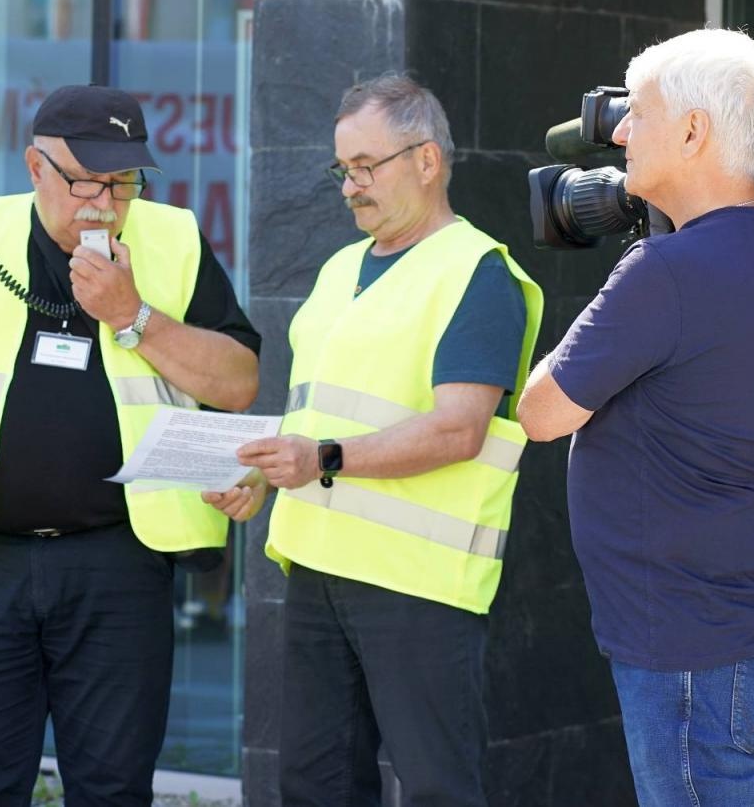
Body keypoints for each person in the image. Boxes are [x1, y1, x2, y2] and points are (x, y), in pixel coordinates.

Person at [0, 84, 261, 806]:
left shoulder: (169, 236)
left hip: (118, 562)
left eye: (122, 183)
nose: (103, 203)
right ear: (34, 166)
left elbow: (238, 382)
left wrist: (134, 316)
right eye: (84, 180)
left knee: (112, 788)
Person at [515, 28, 754, 806]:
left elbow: (541, 412)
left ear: (694, 131)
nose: (621, 133)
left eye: (640, 115)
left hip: (689, 636)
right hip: (738, 620)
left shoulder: (667, 271)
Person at [227, 73, 541, 807]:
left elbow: (460, 429)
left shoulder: (478, 273)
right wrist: (265, 471)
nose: (349, 186)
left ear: (426, 161)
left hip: (419, 587)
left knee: (436, 789)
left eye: (366, 167)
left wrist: (322, 460)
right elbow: (316, 415)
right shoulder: (340, 269)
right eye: (343, 168)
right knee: (315, 784)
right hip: (316, 565)